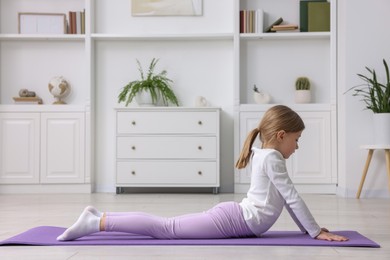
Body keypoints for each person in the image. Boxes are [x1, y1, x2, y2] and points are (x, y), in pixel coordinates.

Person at [57, 105, 348, 242]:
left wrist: (312, 231)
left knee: (166, 227)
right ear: (281, 135)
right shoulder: (273, 158)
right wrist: (315, 231)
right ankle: (98, 223)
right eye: (296, 139)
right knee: (166, 230)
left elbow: (287, 199)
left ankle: (96, 218)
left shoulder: (265, 154)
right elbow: (292, 197)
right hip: (234, 220)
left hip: (234, 216)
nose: (297, 146)